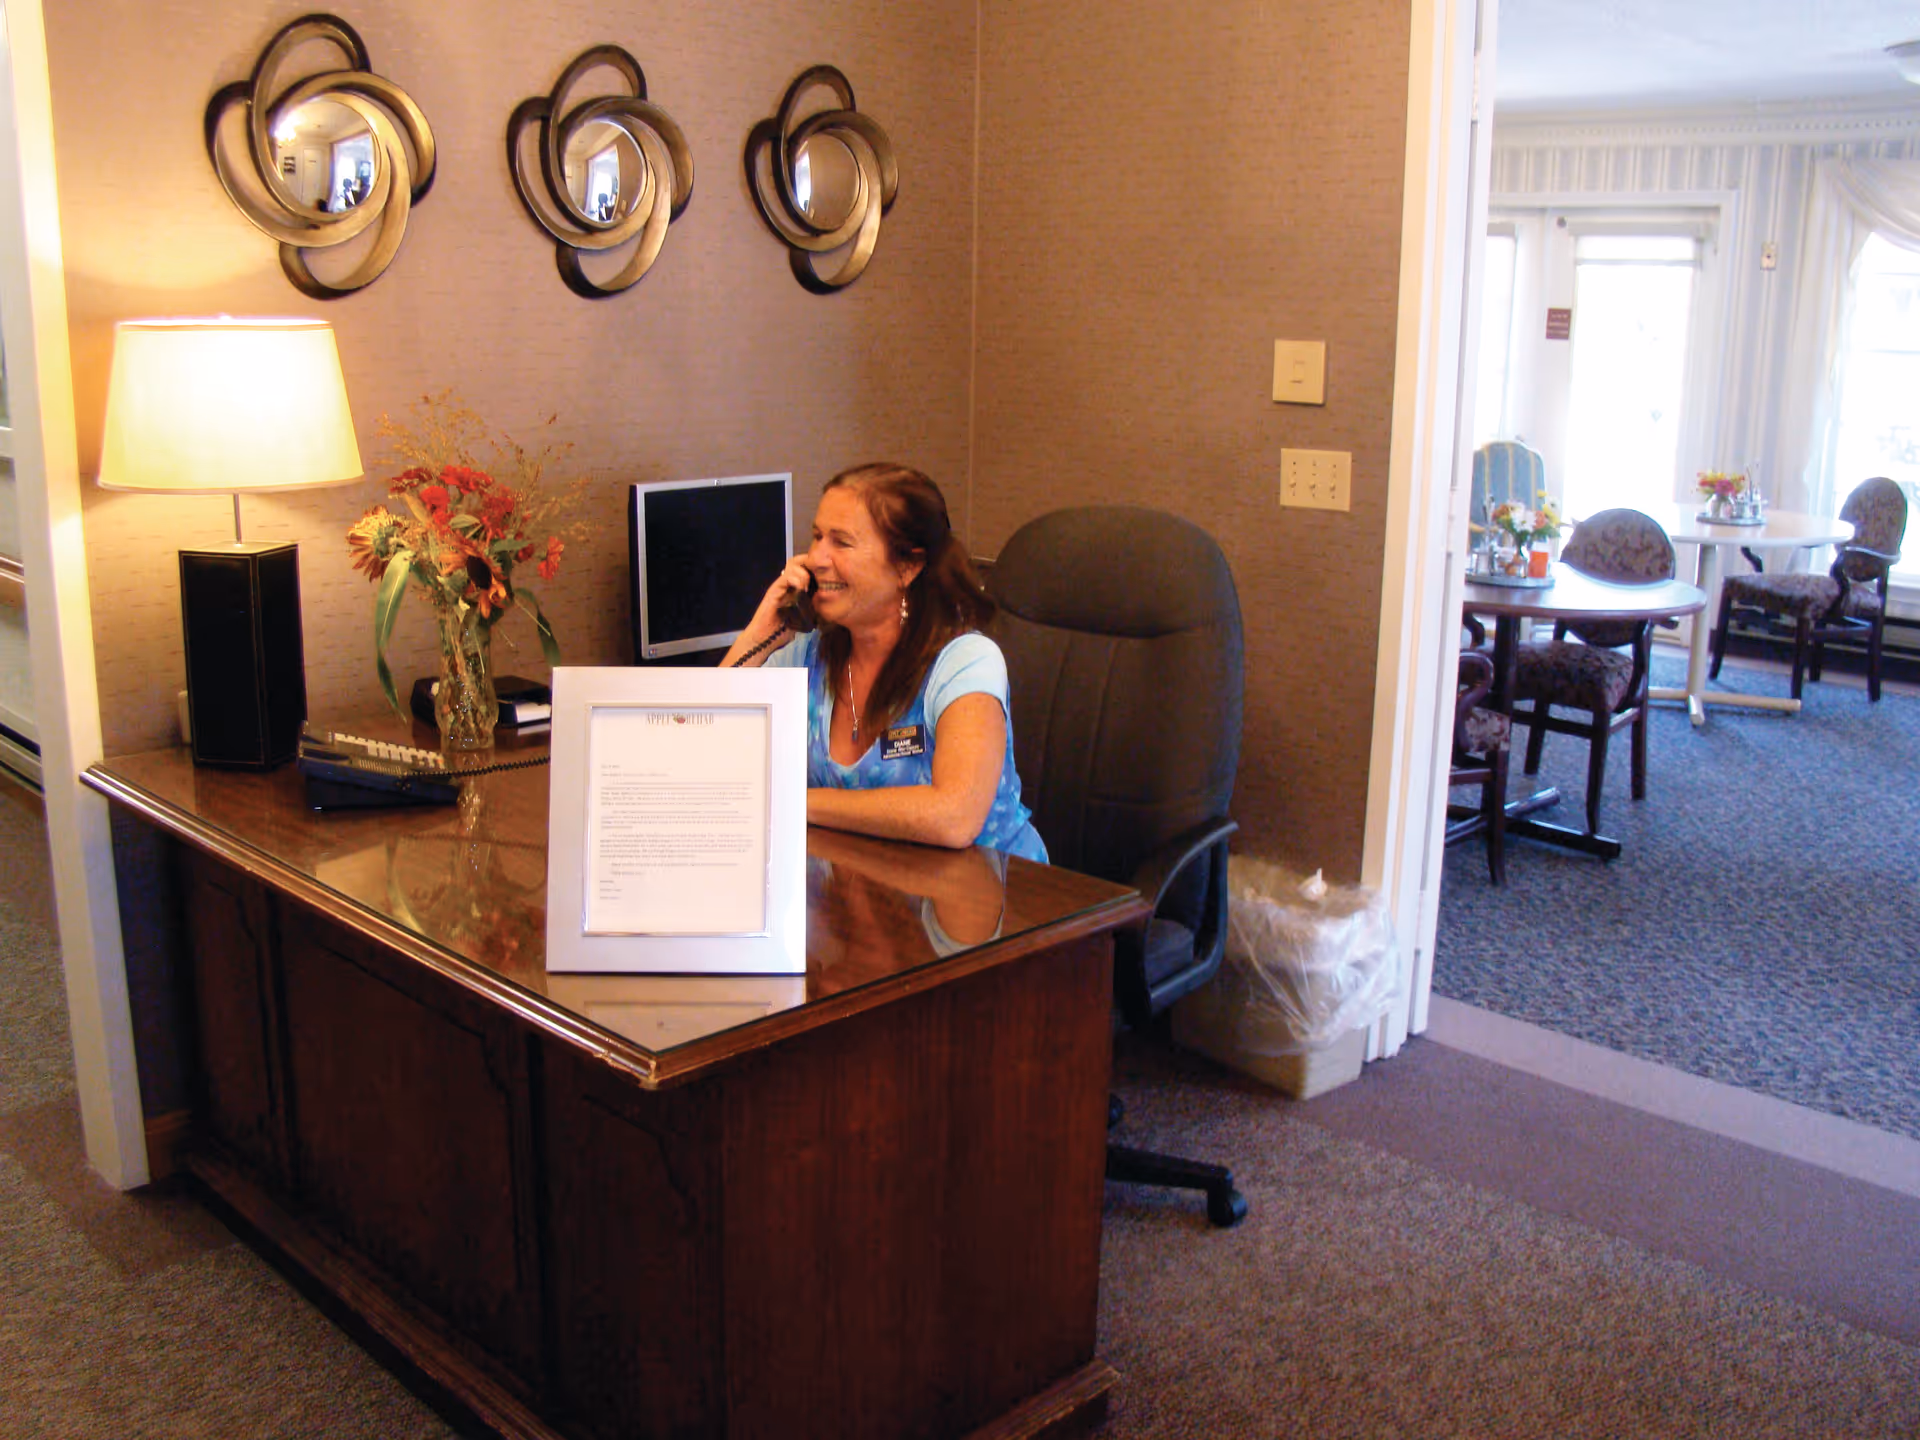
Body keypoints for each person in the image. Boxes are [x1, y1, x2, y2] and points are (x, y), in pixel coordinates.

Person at [722, 462, 1047, 861]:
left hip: (992, 904)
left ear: (906, 566)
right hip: (868, 897)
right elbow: (698, 749)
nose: (815, 558)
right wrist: (757, 635)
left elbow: (954, 817)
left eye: (841, 542)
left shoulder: (964, 662)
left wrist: (791, 801)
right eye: (817, 536)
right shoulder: (807, 653)